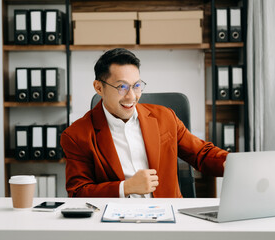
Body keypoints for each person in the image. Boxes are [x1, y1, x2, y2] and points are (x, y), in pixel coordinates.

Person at [61, 48, 228, 198]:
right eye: (122, 87)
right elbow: (78, 192)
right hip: (114, 222)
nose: (132, 96)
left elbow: (202, 154)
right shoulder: (77, 135)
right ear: (99, 88)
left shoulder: (165, 117)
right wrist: (125, 188)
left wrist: (235, 165)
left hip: (168, 218)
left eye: (137, 86)